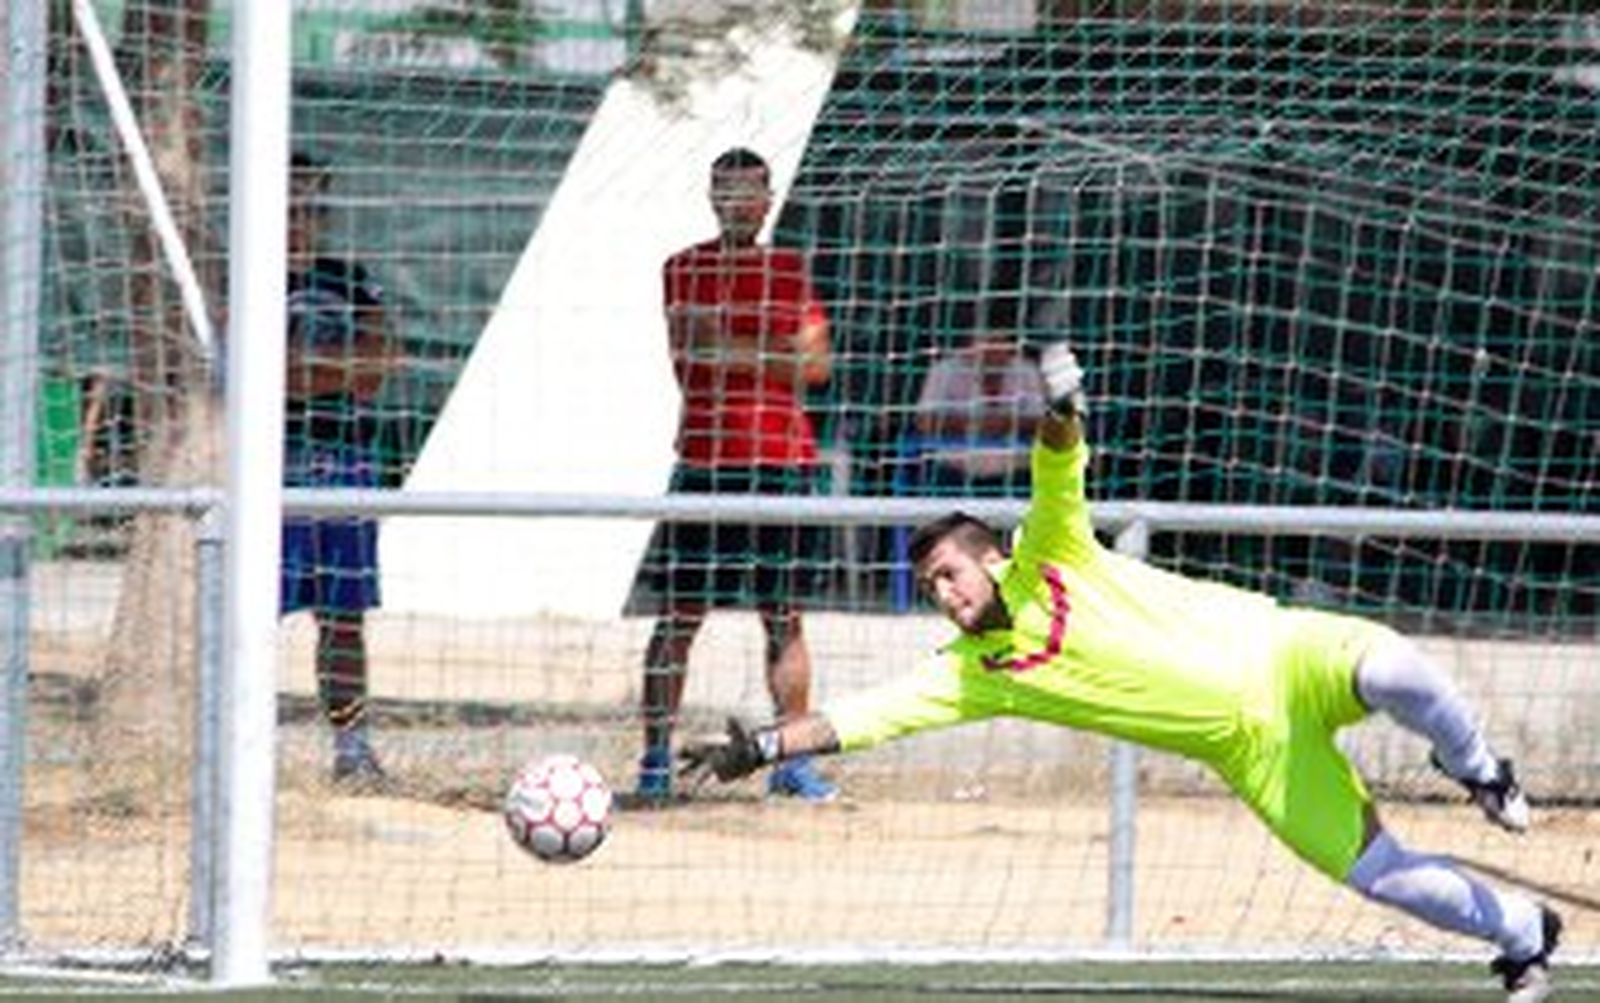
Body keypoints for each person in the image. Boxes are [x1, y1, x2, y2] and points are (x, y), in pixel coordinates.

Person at [681, 343, 1563, 1002]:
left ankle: (1478, 766)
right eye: (928, 587)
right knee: (1385, 876)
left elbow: (1057, 465)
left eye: (948, 573)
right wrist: (759, 746)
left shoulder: (1054, 554)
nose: (942, 595)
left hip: (1284, 655)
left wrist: (1064, 402)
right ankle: (1523, 934)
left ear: (992, 556)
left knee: (1398, 666)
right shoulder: (975, 671)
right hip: (1256, 753)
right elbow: (864, 716)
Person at [633, 147, 838, 804]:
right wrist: (773, 350)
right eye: (725, 190)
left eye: (749, 191)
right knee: (678, 615)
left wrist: (739, 348)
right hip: (707, 460)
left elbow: (815, 367)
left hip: (783, 462)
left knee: (784, 616)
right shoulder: (684, 267)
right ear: (710, 195)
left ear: (769, 199)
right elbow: (693, 353)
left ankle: (792, 758)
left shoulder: (787, 266)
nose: (737, 203)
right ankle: (655, 759)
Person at [282, 151, 396, 784]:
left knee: (344, 618)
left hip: (346, 462)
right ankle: (235, 739)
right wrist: (333, 366)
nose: (302, 217)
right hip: (271, 465)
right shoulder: (242, 277)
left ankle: (351, 748)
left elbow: (377, 368)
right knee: (249, 609)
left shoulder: (350, 279)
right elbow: (265, 375)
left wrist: (306, 369)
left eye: (313, 206)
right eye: (291, 203)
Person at [911, 298, 1047, 497]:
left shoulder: (1026, 371)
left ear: (1012, 347)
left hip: (1016, 468)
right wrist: (975, 424)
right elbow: (924, 420)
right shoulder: (944, 370)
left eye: (999, 342)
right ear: (969, 345)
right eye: (985, 341)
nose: (991, 350)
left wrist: (1004, 424)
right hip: (953, 468)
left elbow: (1041, 422)